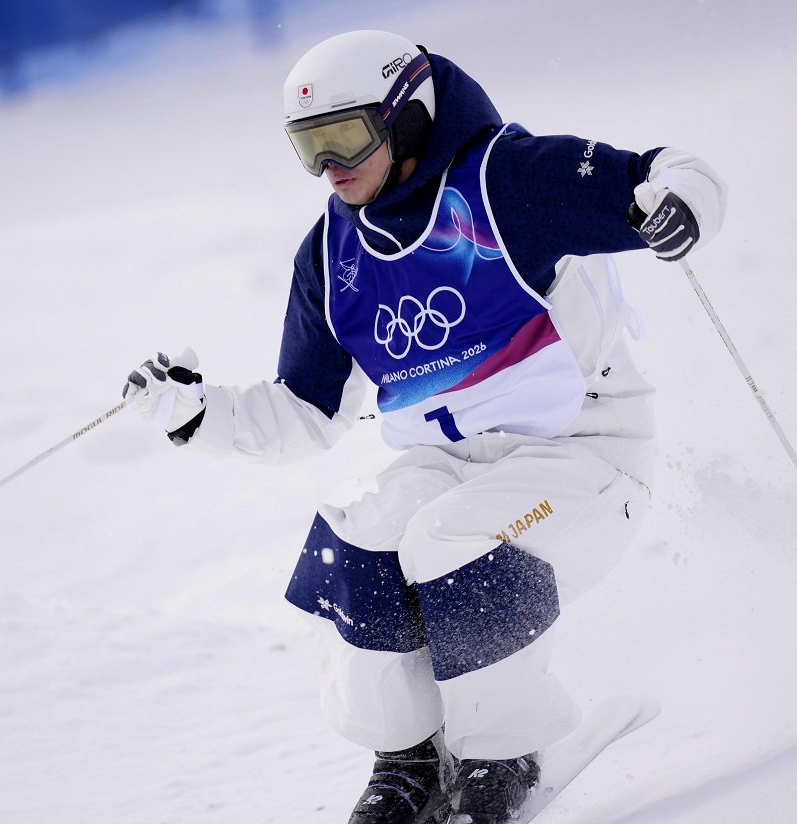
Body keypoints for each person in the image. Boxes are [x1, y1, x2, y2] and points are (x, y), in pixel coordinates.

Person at [124, 29, 726, 824]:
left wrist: (682, 202)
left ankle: (502, 756)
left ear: (406, 117)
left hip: (583, 455)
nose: (330, 167)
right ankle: (408, 760)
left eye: (345, 137)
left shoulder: (505, 182)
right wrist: (199, 414)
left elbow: (662, 172)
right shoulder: (334, 255)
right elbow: (306, 409)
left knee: (448, 536)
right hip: (448, 462)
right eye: (308, 146)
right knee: (359, 535)